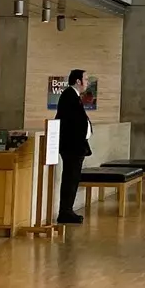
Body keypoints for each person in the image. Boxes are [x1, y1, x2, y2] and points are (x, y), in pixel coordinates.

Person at [55, 68, 90, 224]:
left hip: (75, 147)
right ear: (78, 81)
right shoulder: (69, 96)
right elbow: (73, 123)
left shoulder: (73, 96)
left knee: (73, 178)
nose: (87, 82)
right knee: (70, 178)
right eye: (86, 79)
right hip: (71, 147)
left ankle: (68, 210)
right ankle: (65, 211)